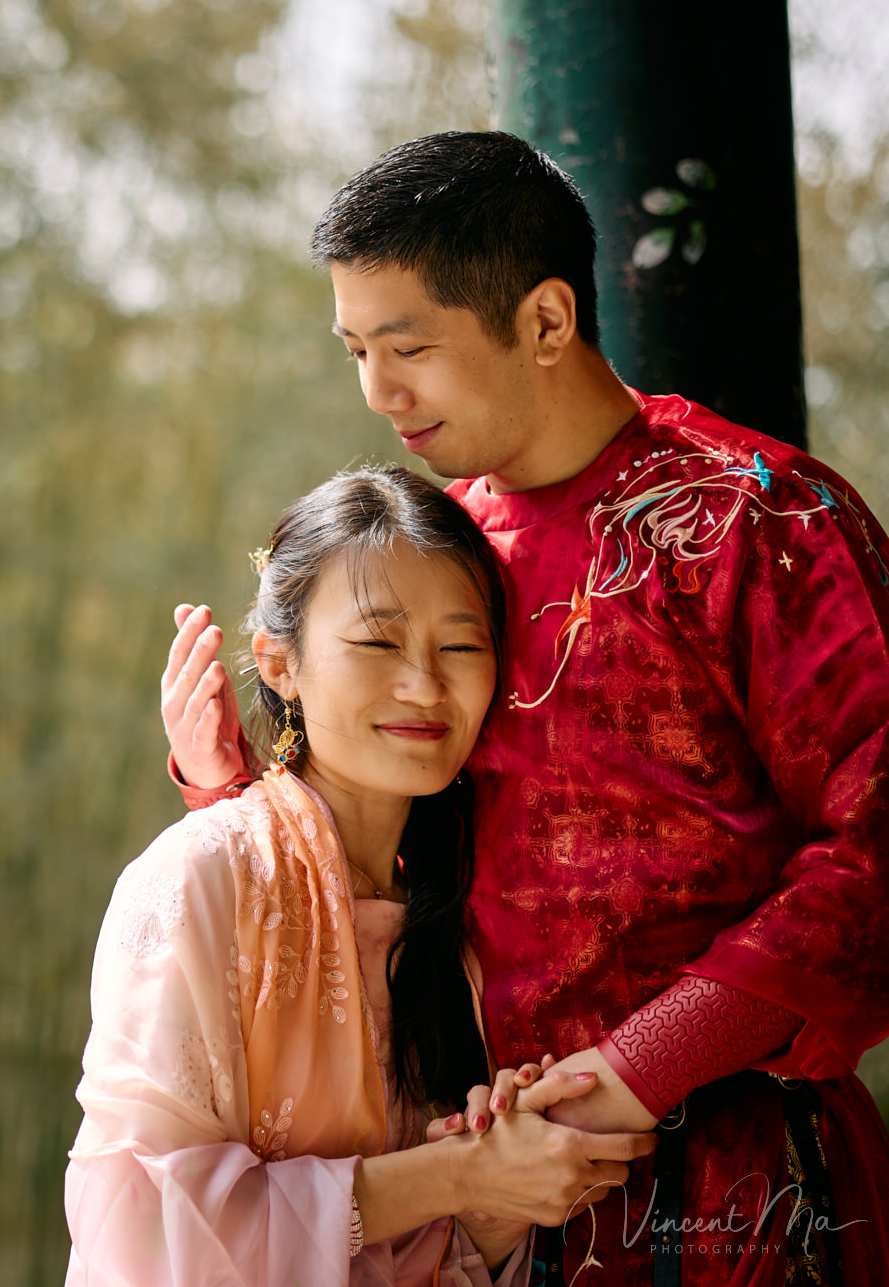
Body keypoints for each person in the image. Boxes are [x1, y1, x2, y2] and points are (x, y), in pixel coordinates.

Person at [160, 130, 889, 1284]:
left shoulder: (751, 520)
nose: (375, 392)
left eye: (407, 349)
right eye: (354, 349)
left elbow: (874, 849)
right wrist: (235, 799)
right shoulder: (437, 556)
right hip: (483, 1207)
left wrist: (643, 1065)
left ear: (545, 321)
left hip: (735, 1191)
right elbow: (393, 874)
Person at [66, 465, 658, 1286]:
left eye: (461, 645)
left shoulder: (464, 931)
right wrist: (457, 1176)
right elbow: (147, 1236)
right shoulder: (202, 877)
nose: (424, 683)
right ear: (278, 663)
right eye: (378, 641)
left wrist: (498, 1197)